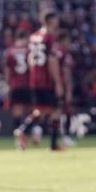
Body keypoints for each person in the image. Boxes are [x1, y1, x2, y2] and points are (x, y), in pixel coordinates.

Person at [25, 9, 67, 151]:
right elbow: (52, 60)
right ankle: (53, 144)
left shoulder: (33, 36)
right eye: (56, 19)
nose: (58, 22)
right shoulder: (50, 37)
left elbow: (29, 58)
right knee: (55, 110)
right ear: (51, 21)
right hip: (47, 79)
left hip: (34, 79)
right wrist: (58, 83)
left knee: (41, 111)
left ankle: (22, 130)